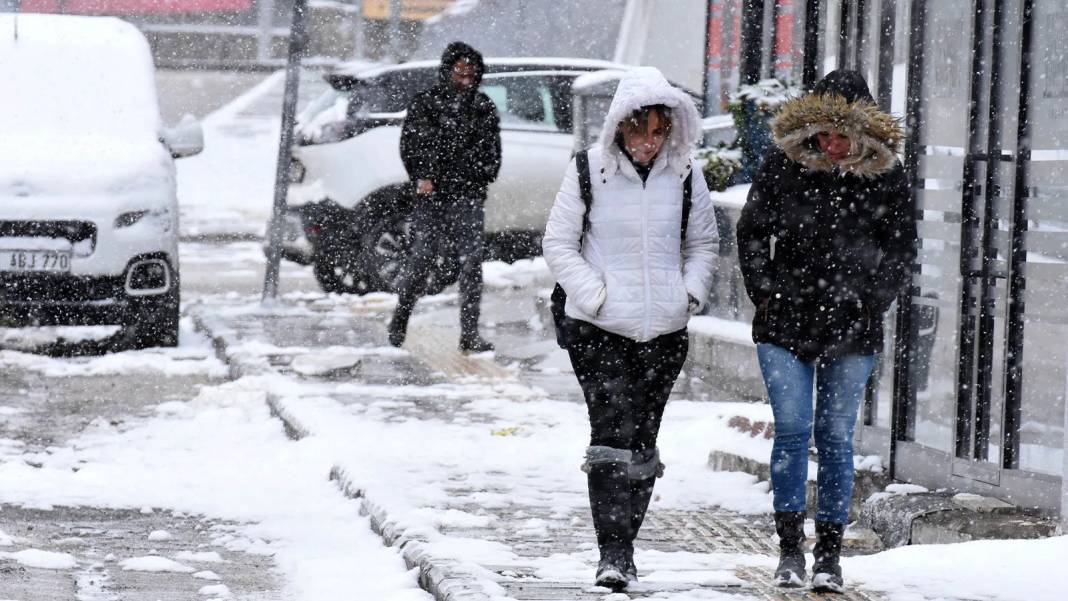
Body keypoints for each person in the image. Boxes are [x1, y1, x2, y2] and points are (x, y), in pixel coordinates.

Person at [736, 70, 916, 593]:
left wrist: (871, 302)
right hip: (784, 319)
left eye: (843, 137)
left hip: (852, 325)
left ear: (864, 135)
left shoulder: (885, 176)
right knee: (792, 429)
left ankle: (830, 557)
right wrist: (765, 290)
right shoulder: (783, 167)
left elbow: (900, 248)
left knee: (835, 437)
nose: (832, 146)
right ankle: (789, 549)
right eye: (824, 135)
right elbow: (752, 230)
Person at [542, 67, 718, 592]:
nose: (647, 142)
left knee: (644, 437)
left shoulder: (685, 174)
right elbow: (559, 245)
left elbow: (703, 244)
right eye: (639, 130)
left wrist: (688, 294)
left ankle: (628, 547)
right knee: (611, 431)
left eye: (658, 132)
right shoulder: (585, 171)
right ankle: (612, 552)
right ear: (619, 126)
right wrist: (596, 296)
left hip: (664, 330)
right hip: (598, 328)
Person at [388, 41, 502, 352]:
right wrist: (423, 177)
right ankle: (400, 320)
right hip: (433, 197)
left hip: (468, 197)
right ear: (447, 70)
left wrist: (473, 176)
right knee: (422, 258)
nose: (465, 79)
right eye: (460, 71)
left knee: (471, 264)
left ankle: (470, 332)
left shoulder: (483, 108)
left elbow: (491, 155)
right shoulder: (425, 104)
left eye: (471, 73)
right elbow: (411, 146)